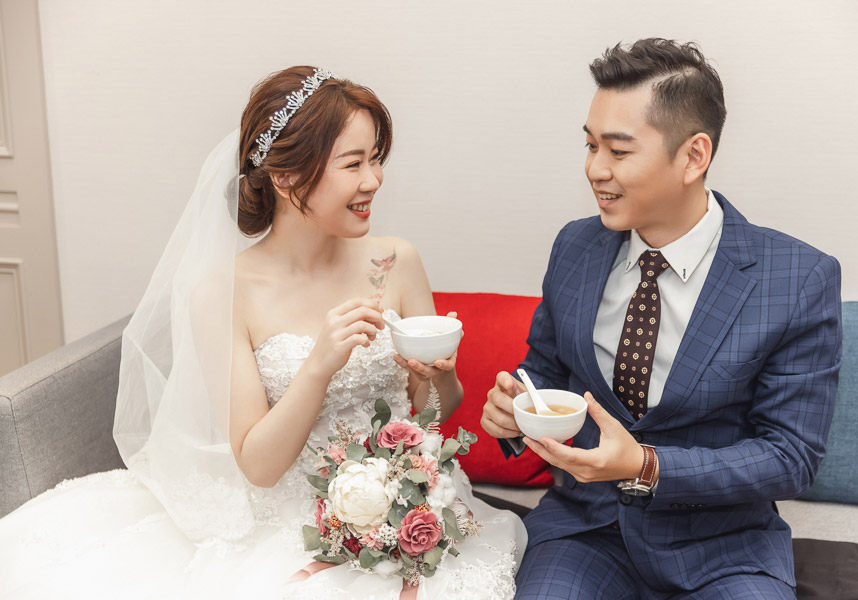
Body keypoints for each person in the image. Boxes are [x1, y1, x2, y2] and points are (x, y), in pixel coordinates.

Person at [0, 66, 526, 600]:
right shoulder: (223, 294)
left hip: (410, 506)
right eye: (353, 163)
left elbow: (432, 412)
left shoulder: (395, 261)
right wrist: (319, 365)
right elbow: (259, 465)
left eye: (375, 159)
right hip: (292, 524)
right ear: (286, 178)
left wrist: (438, 375)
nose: (373, 180)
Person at [481, 39, 841, 599]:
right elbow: (544, 373)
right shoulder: (575, 247)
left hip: (723, 547)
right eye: (590, 145)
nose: (594, 169)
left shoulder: (797, 278)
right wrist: (514, 413)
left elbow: (790, 457)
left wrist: (645, 465)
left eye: (618, 151)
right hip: (586, 531)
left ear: (693, 156)